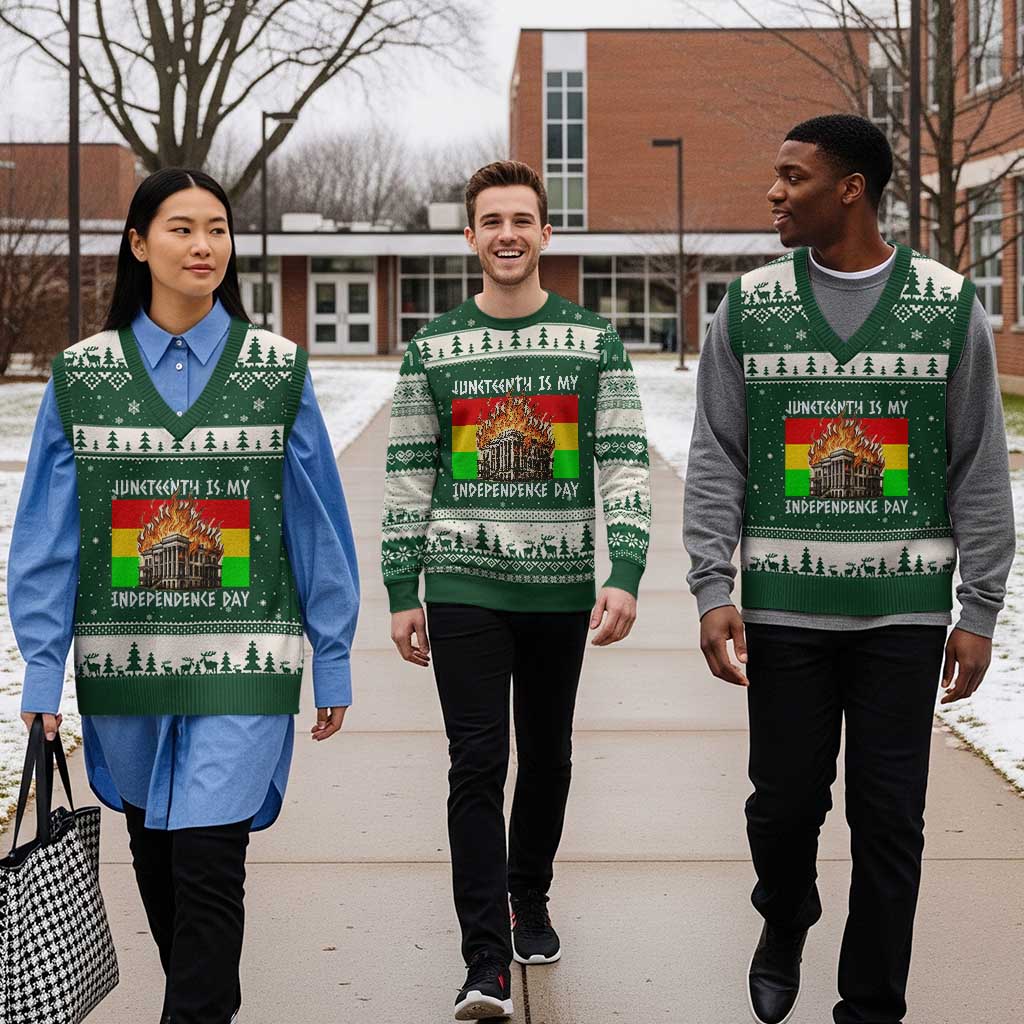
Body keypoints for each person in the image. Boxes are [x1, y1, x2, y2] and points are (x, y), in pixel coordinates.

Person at [684, 113, 1015, 1024]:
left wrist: (980, 609)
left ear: (851, 189)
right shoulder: (749, 306)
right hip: (785, 612)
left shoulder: (946, 305)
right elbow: (717, 455)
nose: (774, 192)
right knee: (782, 808)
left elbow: (977, 464)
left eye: (793, 177)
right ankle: (786, 912)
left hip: (904, 617)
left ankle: (870, 1006)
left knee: (890, 820)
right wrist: (712, 585)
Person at [11, 168, 359, 1024]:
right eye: (181, 228)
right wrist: (43, 672)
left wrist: (333, 655)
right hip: (124, 668)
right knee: (159, 860)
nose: (203, 246)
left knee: (209, 863)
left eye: (217, 229)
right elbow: (48, 538)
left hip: (244, 664)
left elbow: (315, 523)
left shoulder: (276, 371)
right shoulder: (81, 376)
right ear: (138, 244)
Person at [381, 160, 652, 1021]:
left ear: (546, 232)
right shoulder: (433, 349)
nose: (507, 234)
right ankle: (485, 962)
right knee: (476, 760)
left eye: (522, 220)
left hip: (559, 587)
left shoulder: (592, 342)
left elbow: (624, 461)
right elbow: (408, 475)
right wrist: (401, 586)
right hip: (462, 581)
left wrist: (625, 570)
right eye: (492, 221)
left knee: (548, 753)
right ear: (470, 236)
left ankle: (527, 894)